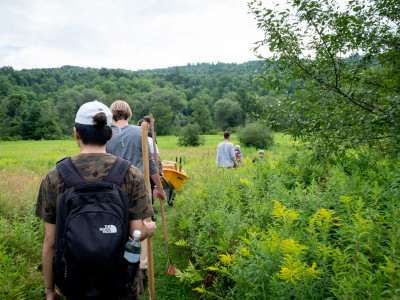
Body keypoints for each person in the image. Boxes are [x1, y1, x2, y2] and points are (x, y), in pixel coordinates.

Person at [35, 100, 156, 300]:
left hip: (75, 282)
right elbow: (135, 234)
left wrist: (49, 290)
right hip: (121, 285)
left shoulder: (55, 177)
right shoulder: (132, 174)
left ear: (76, 133)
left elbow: (49, 242)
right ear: (110, 134)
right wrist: (148, 230)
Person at [107, 101, 166, 289]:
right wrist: (159, 187)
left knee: (119, 225)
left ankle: (121, 264)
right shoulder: (140, 132)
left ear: (112, 114)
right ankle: (141, 267)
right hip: (139, 187)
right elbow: (151, 163)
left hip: (114, 189)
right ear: (129, 113)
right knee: (142, 226)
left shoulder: (107, 135)